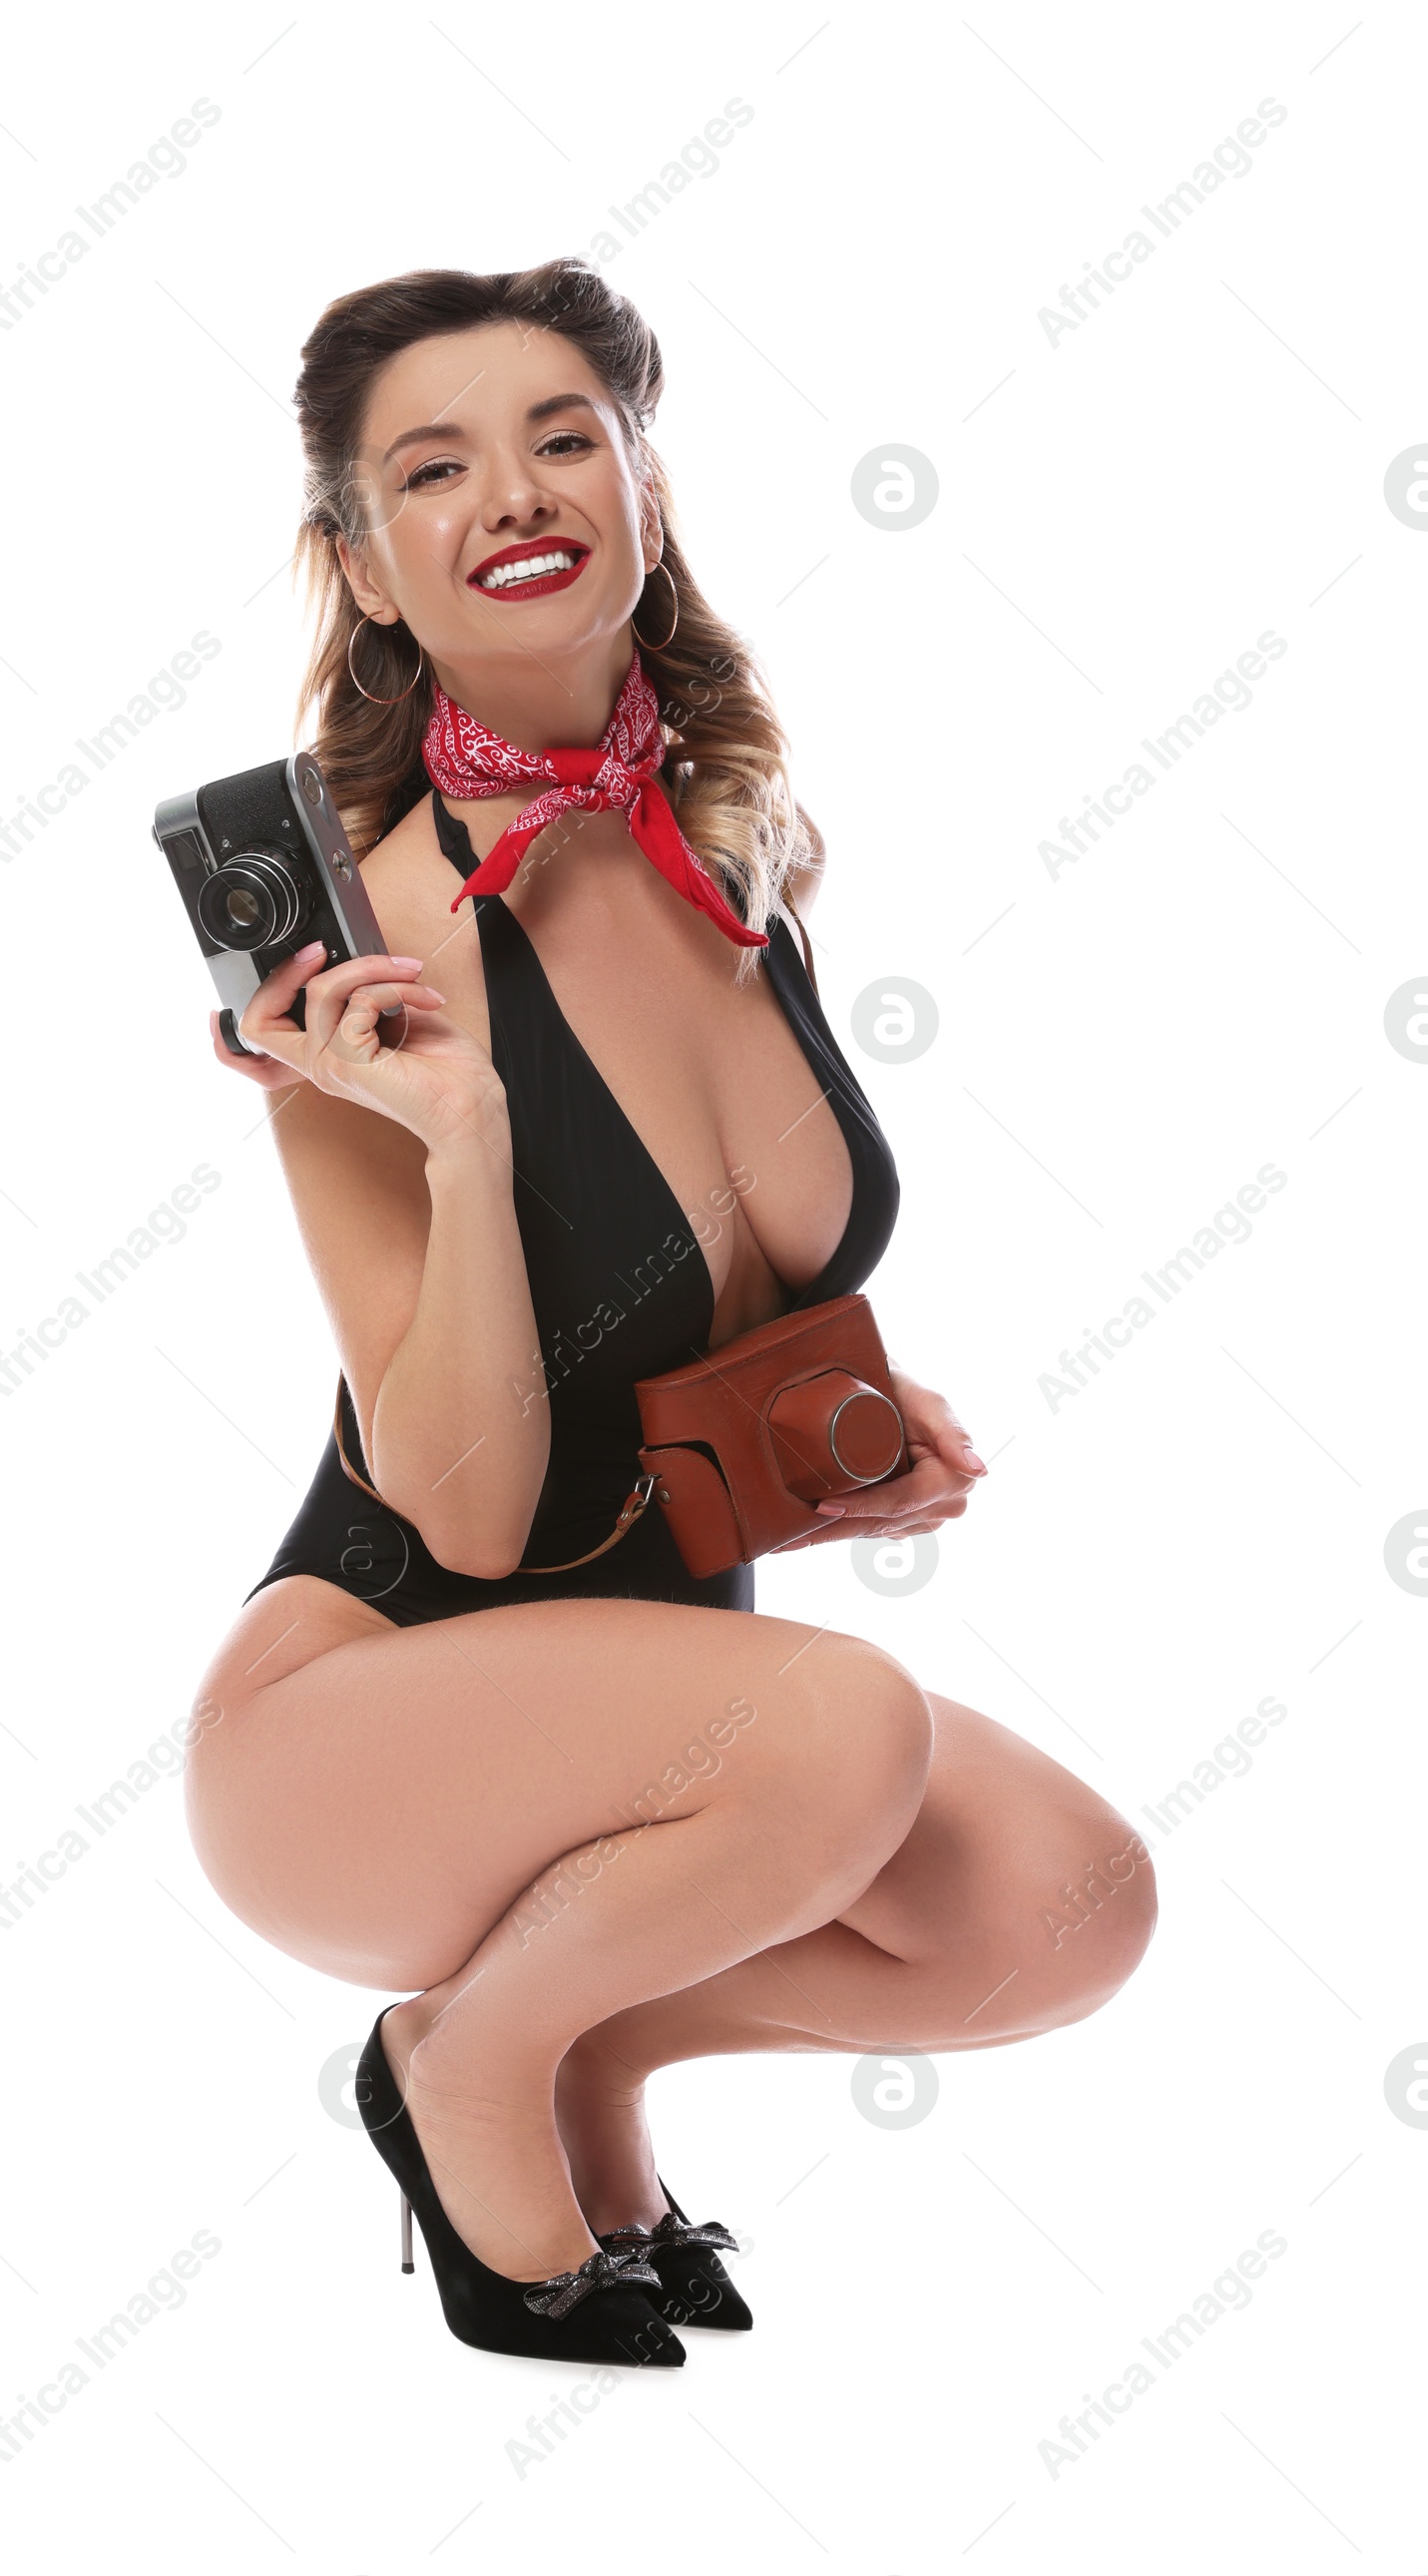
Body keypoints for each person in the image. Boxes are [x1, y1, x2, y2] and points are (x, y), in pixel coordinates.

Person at [183, 259, 1157, 2367]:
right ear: (358, 563)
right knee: (850, 1722)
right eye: (429, 467)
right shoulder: (372, 936)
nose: (512, 491)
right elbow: (463, 1511)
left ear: (641, 483)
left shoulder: (737, 850)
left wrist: (836, 1425)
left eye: (561, 436)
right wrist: (449, 1141)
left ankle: (580, 2046)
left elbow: (708, 1289)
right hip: (357, 1727)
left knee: (1071, 1902)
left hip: (658, 1732)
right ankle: (458, 2077)